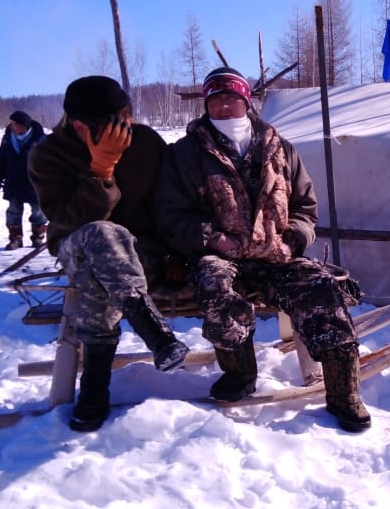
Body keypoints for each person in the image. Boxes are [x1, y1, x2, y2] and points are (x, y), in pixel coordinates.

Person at [155, 66, 371, 432]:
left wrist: (293, 241)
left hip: (277, 256)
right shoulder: (186, 153)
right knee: (216, 287)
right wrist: (210, 238)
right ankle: (239, 376)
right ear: (207, 104)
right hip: (220, 254)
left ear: (246, 101)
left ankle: (343, 392)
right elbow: (169, 212)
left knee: (322, 289)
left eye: (232, 98)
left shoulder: (280, 148)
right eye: (216, 100)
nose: (224, 107)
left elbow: (305, 207)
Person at [28, 75, 189, 432]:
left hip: (140, 252)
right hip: (77, 245)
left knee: (102, 278)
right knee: (104, 234)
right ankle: (155, 333)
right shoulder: (47, 154)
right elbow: (67, 218)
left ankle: (95, 389)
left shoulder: (145, 142)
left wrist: (178, 254)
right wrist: (101, 171)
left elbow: (170, 204)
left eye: (126, 116)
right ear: (80, 125)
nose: (123, 127)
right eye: (111, 122)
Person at [0, 110, 48, 250]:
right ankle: (15, 239)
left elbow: (50, 161)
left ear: (24, 126)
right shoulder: (7, 138)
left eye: (14, 124)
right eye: (11, 123)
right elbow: (2, 157)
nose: (11, 126)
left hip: (35, 182)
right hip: (14, 180)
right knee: (13, 210)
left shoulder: (40, 139)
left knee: (38, 210)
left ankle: (37, 237)